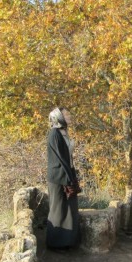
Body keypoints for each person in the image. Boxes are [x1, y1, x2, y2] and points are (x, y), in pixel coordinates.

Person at [46, 107, 81, 250]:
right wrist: (68, 179)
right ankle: (55, 244)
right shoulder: (54, 134)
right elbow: (59, 158)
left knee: (69, 209)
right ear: (58, 117)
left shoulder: (63, 133)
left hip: (66, 174)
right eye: (66, 115)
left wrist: (72, 176)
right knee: (58, 210)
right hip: (58, 177)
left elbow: (67, 157)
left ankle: (68, 242)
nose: (69, 117)